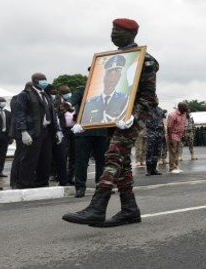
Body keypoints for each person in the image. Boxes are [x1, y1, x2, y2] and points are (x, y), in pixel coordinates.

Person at [63, 17, 159, 227]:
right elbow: (95, 90)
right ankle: (129, 209)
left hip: (132, 117)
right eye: (112, 29)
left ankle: (97, 207)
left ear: (132, 34)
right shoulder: (107, 60)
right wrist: (84, 118)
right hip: (110, 117)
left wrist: (133, 114)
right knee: (122, 162)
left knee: (113, 155)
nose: (113, 33)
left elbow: (149, 96)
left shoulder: (144, 60)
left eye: (119, 30)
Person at [11, 73, 64, 188]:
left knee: (45, 158)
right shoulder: (25, 95)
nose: (44, 81)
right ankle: (25, 183)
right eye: (42, 79)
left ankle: (42, 182)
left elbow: (53, 114)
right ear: (35, 81)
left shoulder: (46, 95)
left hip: (47, 131)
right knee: (30, 159)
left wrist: (58, 130)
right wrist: (23, 131)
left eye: (45, 79)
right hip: (33, 131)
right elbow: (20, 114)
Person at [69, 83, 109, 198]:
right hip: (84, 131)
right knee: (81, 161)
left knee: (102, 161)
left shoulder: (106, 91)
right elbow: (72, 100)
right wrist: (67, 104)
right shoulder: (82, 90)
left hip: (101, 131)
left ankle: (101, 186)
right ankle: (80, 187)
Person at [81, 55, 130, 124]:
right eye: (109, 74)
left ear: (119, 78)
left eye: (116, 75)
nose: (111, 79)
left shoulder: (125, 99)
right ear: (104, 77)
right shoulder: (90, 102)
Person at [166, 102, 188, 174]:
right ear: (180, 108)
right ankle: (172, 168)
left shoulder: (184, 114)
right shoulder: (172, 115)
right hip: (172, 135)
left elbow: (183, 125)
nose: (187, 109)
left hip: (179, 135)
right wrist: (170, 138)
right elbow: (169, 127)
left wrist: (184, 134)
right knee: (172, 152)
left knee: (177, 152)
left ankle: (176, 166)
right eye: (185, 107)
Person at [144, 97, 165, 176]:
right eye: (155, 99)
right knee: (149, 152)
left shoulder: (160, 110)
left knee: (157, 152)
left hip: (159, 133)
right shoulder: (147, 109)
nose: (157, 101)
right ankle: (149, 170)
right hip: (150, 133)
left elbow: (163, 121)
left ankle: (154, 169)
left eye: (157, 99)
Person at [0, 96, 13, 177]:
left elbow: (10, 125)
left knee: (2, 155)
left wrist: (11, 137)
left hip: (5, 136)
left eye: (4, 101)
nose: (3, 102)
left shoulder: (8, 113)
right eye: (1, 101)